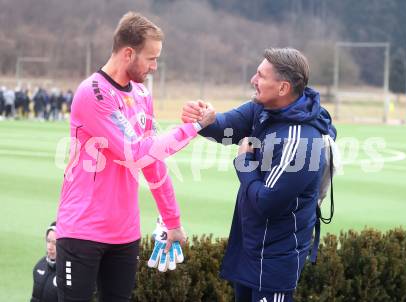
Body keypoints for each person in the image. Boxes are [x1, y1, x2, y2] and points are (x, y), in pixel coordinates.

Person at [55, 11, 214, 302]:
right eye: (151, 58)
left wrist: (172, 221)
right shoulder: (93, 93)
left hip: (125, 234)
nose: (155, 67)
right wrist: (194, 127)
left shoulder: (142, 95)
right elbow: (137, 153)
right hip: (82, 231)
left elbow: (153, 163)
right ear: (128, 53)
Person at [182, 48, 337, 302]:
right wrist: (203, 119)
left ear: (283, 88)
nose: (253, 80)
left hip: (274, 262)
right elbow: (224, 127)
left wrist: (244, 162)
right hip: (250, 250)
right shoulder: (263, 109)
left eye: (261, 75)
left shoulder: (301, 142)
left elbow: (267, 202)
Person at [31, 222, 58, 302]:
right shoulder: (39, 266)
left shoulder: (69, 273)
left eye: (55, 243)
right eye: (48, 241)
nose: (50, 247)